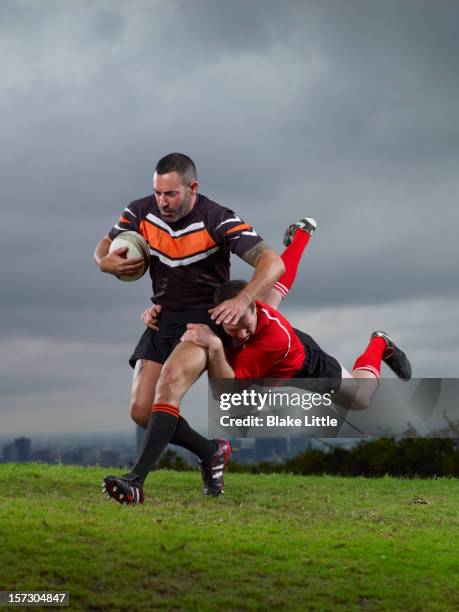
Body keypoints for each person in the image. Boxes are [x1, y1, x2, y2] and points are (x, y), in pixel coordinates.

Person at [95, 153, 285, 503]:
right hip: (163, 318)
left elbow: (273, 263)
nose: (162, 202)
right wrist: (106, 264)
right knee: (140, 411)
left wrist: (242, 300)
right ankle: (211, 452)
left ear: (192, 187)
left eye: (171, 194)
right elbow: (103, 248)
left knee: (168, 386)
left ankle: (135, 482)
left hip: (205, 320)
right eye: (158, 193)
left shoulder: (218, 218)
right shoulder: (140, 212)